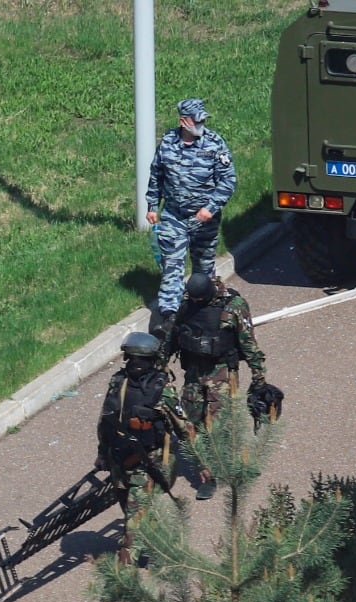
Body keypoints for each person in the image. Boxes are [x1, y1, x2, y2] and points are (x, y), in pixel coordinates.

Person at [163, 273, 268, 499]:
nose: (196, 303)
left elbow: (248, 342)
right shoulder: (187, 304)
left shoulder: (233, 306)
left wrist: (259, 377)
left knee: (218, 424)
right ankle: (205, 468)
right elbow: (172, 335)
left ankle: (217, 474)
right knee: (188, 423)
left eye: (200, 299)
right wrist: (159, 367)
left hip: (221, 374)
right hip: (194, 373)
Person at [96, 332, 193, 565]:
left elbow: (185, 428)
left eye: (141, 360)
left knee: (135, 515)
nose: (135, 364)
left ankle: (124, 565)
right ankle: (163, 548)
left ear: (152, 361)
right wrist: (102, 453)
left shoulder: (163, 389)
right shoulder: (118, 382)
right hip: (119, 457)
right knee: (131, 507)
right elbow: (105, 419)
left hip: (148, 461)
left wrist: (203, 464)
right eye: (131, 358)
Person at [146, 98, 238, 330]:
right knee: (172, 266)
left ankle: (206, 313)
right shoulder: (167, 143)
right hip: (174, 215)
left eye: (203, 120)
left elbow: (228, 180)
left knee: (204, 268)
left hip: (203, 218)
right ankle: (169, 317)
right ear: (184, 121)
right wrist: (152, 206)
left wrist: (210, 208)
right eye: (197, 120)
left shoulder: (214, 144)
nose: (201, 124)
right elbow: (156, 174)